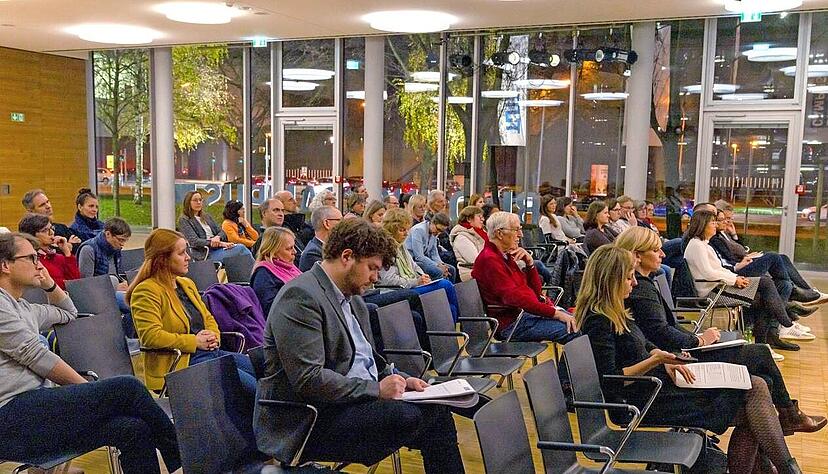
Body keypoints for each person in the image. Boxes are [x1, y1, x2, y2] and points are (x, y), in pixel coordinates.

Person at [254, 219, 465, 473]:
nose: (375, 278)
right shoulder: (300, 297)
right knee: (408, 417)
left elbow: (369, 359)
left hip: (348, 401)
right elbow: (309, 379)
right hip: (310, 418)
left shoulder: (352, 298)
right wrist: (376, 389)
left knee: (437, 411)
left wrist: (401, 379)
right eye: (372, 268)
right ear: (347, 257)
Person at [575, 245, 804, 473]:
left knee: (757, 387)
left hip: (657, 385)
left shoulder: (617, 311)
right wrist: (655, 361)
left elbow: (643, 345)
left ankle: (781, 468)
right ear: (610, 280)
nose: (634, 283)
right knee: (754, 397)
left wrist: (662, 359)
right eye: (628, 278)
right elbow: (612, 380)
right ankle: (784, 467)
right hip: (641, 399)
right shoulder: (599, 321)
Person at [617, 226, 827, 436]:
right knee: (760, 354)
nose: (663, 254)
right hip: (678, 356)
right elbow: (660, 332)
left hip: (677, 353)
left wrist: (696, 338)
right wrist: (698, 341)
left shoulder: (644, 284)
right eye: (656, 250)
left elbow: (660, 331)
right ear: (637, 256)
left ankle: (788, 415)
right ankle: (790, 412)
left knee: (764, 377)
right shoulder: (642, 289)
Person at [0, 232, 181, 474]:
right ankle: (185, 461)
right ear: (5, 265)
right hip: (11, 417)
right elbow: (36, 356)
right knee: (127, 388)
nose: (39, 264)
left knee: (133, 429)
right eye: (32, 258)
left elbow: (69, 312)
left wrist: (50, 285)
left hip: (37, 412)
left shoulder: (23, 308)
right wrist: (86, 390)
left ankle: (182, 460)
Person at [127, 228, 257, 395]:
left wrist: (213, 336)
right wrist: (194, 341)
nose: (188, 257)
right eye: (181, 253)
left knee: (262, 371)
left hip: (209, 354)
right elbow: (151, 337)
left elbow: (208, 318)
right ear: (163, 259)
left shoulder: (186, 284)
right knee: (252, 388)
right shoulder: (146, 291)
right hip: (179, 363)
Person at [683, 211, 804, 351]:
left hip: (719, 286)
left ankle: (763, 346)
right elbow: (708, 273)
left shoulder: (704, 245)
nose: (715, 225)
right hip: (712, 292)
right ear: (702, 225)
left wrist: (736, 278)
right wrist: (734, 280)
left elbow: (719, 269)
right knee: (765, 282)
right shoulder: (697, 245)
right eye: (713, 222)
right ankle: (786, 324)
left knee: (763, 297)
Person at [472, 211, 577, 344]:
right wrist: (556, 314)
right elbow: (516, 298)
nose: (520, 235)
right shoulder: (490, 260)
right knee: (575, 330)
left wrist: (530, 264)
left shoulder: (504, 256)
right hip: (512, 324)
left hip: (524, 316)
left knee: (582, 324)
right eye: (516, 230)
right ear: (500, 233)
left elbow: (536, 292)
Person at [711, 201, 827, 306]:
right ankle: (802, 293)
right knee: (773, 257)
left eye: (730, 218)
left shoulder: (725, 233)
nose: (728, 221)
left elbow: (739, 248)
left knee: (783, 263)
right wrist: (745, 256)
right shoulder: (717, 237)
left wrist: (734, 235)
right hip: (737, 269)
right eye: (725, 218)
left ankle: (807, 292)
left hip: (742, 262)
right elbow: (733, 255)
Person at [380, 208, 459, 319]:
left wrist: (423, 276)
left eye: (407, 230)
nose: (407, 234)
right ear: (391, 229)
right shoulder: (385, 249)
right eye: (402, 230)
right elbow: (388, 280)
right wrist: (416, 281)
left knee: (451, 308)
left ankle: (455, 326)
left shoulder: (400, 246)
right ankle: (464, 319)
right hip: (398, 290)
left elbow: (414, 265)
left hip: (411, 284)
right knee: (445, 284)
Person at [177, 190, 253, 265]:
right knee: (241, 248)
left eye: (200, 200)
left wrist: (217, 237)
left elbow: (222, 232)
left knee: (240, 258)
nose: (199, 202)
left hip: (218, 249)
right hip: (205, 254)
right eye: (195, 200)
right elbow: (194, 241)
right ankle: (256, 269)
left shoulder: (207, 217)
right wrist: (219, 243)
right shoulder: (184, 220)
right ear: (188, 202)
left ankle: (253, 270)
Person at [18, 213, 79, 290]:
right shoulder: (30, 261)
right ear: (31, 235)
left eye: (51, 228)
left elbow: (76, 283)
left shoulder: (58, 257)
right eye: (45, 230)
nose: (51, 233)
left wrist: (66, 252)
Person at [250, 227, 302, 315]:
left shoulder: (289, 267)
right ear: (273, 252)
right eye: (289, 248)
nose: (295, 251)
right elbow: (270, 310)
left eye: (294, 247)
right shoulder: (263, 275)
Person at [405, 212, 457, 282]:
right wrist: (437, 266)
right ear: (432, 222)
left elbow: (434, 253)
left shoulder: (434, 233)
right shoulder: (419, 230)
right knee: (438, 271)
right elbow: (419, 257)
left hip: (424, 260)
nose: (439, 233)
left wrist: (441, 264)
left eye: (441, 231)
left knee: (451, 269)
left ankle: (449, 288)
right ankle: (439, 288)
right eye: (438, 229)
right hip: (412, 261)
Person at [299, 205, 343, 272]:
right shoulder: (313, 253)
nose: (343, 224)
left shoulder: (327, 247)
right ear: (326, 223)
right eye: (340, 220)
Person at [449, 206, 487, 281]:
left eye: (482, 217)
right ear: (469, 219)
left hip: (484, 270)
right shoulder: (461, 237)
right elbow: (475, 260)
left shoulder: (482, 232)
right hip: (471, 274)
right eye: (479, 217)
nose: (483, 219)